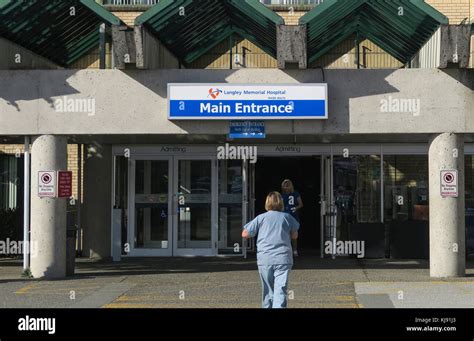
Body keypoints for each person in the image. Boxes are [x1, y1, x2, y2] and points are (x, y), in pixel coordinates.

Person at [242, 192, 299, 308]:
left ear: (267, 203)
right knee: (280, 289)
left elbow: (245, 234)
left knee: (267, 290)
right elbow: (294, 236)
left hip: (265, 259)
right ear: (281, 203)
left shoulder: (261, 218)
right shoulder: (288, 217)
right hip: (283, 258)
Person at [281, 179, 303, 256]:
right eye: (284, 186)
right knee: (285, 233)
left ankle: (295, 250)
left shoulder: (295, 194)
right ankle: (286, 250)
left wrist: (296, 208)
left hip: (293, 216)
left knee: (294, 233)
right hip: (284, 216)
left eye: (288, 185)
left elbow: (301, 204)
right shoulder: (281, 195)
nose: (286, 187)